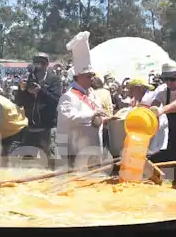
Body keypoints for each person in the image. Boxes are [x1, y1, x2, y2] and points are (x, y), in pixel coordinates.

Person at [56, 32, 107, 166]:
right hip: (75, 150)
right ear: (79, 77)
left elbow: (97, 116)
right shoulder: (69, 96)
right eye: (89, 76)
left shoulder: (93, 94)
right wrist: (92, 115)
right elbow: (68, 117)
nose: (92, 79)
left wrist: (105, 118)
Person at [13, 53, 61, 158]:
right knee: (26, 161)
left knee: (51, 160)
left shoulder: (54, 79)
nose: (39, 67)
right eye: (37, 63)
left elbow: (56, 101)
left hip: (48, 128)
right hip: (30, 128)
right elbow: (19, 102)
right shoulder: (28, 79)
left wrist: (40, 91)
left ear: (47, 64)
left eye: (42, 64)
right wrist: (21, 90)